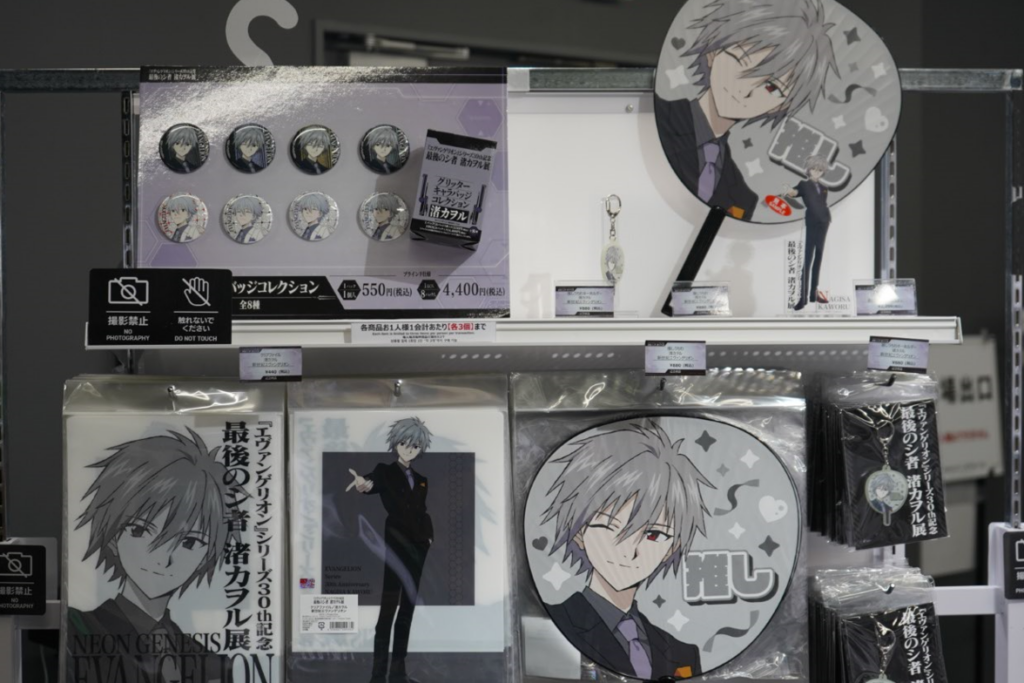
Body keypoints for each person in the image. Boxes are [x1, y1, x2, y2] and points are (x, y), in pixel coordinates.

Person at [67, 428, 242, 683]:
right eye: (139, 530)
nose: (163, 558)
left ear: (206, 557)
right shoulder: (77, 631)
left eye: (190, 542)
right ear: (113, 537)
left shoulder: (209, 661)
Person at [541, 422, 714, 680]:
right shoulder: (548, 627)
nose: (629, 550)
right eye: (609, 526)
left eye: (654, 535)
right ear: (579, 532)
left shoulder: (682, 653)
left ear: (672, 548)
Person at [655, 0, 838, 221]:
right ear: (714, 52)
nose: (746, 89)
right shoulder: (656, 120)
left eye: (772, 87)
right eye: (742, 59)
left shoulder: (743, 198)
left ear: (781, 105)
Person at [347, 418, 434, 683]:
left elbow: (422, 511)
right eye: (404, 442)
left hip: (418, 548)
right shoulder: (385, 471)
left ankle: (398, 673)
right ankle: (377, 675)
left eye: (415, 445)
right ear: (396, 443)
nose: (409, 448)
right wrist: (362, 484)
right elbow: (370, 483)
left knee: (407, 610)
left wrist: (428, 537)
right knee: (388, 610)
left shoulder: (422, 480)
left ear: (420, 449)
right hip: (395, 547)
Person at [783, 155, 832, 310]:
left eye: (820, 170)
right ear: (808, 170)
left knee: (819, 256)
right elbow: (795, 192)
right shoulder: (804, 184)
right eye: (814, 169)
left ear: (823, 171)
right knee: (808, 257)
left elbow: (822, 204)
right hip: (812, 220)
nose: (816, 172)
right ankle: (802, 297)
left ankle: (813, 293)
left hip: (824, 221)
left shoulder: (824, 188)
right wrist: (790, 191)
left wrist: (826, 218)